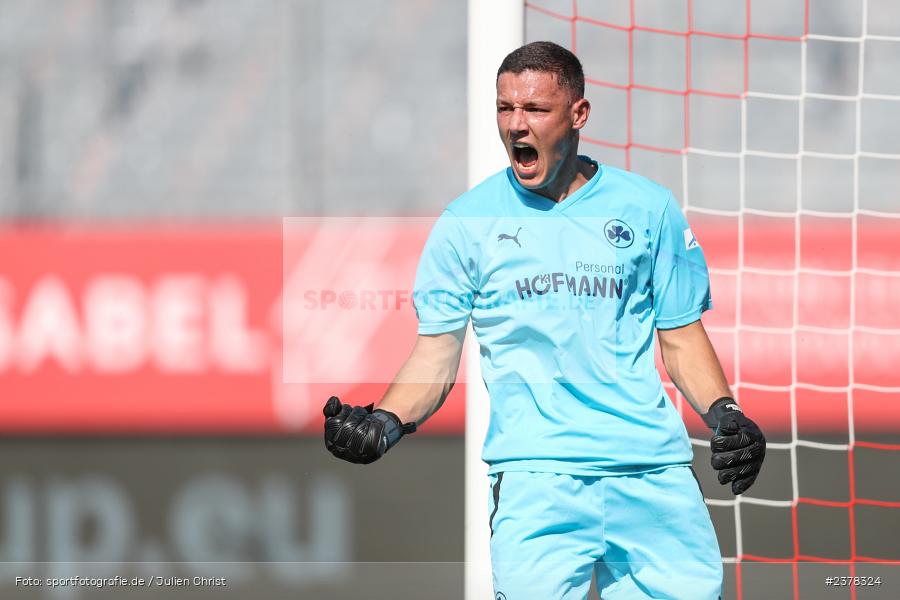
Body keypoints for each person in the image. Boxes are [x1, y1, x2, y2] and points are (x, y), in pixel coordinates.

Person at [322, 41, 765, 600]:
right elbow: (436, 354)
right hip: (538, 482)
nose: (516, 125)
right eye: (505, 109)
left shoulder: (648, 209)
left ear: (578, 114)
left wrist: (726, 413)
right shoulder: (466, 223)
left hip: (651, 472)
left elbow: (679, 338)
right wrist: (386, 421)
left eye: (534, 110)